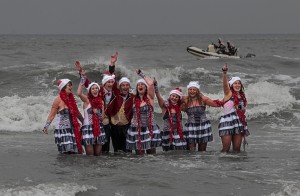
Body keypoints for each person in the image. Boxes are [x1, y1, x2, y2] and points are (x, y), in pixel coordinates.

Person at [75, 53, 117, 153]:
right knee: (93, 155)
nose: (110, 84)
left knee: (103, 153)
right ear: (104, 84)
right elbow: (86, 84)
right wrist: (81, 72)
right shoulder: (96, 93)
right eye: (108, 82)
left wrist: (112, 64)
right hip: (91, 127)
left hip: (107, 123)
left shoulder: (114, 91)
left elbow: (112, 78)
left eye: (111, 82)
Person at [42, 79, 83, 154]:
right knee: (66, 153)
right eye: (69, 85)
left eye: (71, 85)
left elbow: (77, 113)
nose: (71, 87)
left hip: (71, 130)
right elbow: (52, 115)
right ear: (63, 87)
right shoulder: (58, 100)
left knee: (74, 152)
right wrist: (46, 126)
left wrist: (84, 122)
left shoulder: (71, 99)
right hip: (62, 130)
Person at [126, 69, 161, 155]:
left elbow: (151, 84)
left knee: (151, 155)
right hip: (136, 129)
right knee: (139, 155)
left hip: (149, 128)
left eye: (142, 85)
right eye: (138, 85)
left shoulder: (150, 97)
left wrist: (141, 74)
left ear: (146, 88)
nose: (140, 86)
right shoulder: (133, 99)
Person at [182, 81, 223, 151]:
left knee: (202, 151)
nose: (192, 91)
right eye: (190, 89)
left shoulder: (203, 99)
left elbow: (217, 104)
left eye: (194, 89)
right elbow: (173, 101)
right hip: (191, 127)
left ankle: (201, 162)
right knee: (191, 151)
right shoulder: (184, 100)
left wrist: (228, 97)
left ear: (197, 90)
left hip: (203, 126)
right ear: (188, 90)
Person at [218, 64, 249, 152]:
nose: (237, 85)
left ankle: (235, 165)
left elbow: (242, 110)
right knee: (226, 149)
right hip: (227, 122)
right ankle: (222, 164)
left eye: (239, 83)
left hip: (238, 122)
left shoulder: (242, 96)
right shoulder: (229, 93)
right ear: (231, 85)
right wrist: (224, 74)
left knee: (237, 150)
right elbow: (225, 85)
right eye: (235, 83)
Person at [77, 72, 106, 156]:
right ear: (90, 90)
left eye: (96, 88)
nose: (95, 90)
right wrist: (83, 78)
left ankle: (98, 170)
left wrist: (98, 113)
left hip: (99, 128)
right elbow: (79, 93)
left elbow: (102, 118)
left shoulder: (101, 102)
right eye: (92, 88)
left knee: (98, 154)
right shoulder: (87, 100)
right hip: (88, 129)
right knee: (90, 155)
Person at [154, 80, 187, 151]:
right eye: (173, 96)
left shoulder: (180, 107)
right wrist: (156, 86)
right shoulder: (164, 107)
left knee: (179, 152)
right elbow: (158, 96)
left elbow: (187, 99)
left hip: (178, 133)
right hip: (167, 133)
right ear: (170, 96)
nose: (174, 98)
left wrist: (181, 96)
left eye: (176, 97)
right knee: (168, 154)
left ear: (178, 99)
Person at [108, 76, 134, 153]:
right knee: (117, 150)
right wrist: (112, 66)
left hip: (127, 126)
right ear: (119, 87)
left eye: (127, 85)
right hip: (114, 126)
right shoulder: (115, 95)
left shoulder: (133, 97)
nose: (125, 87)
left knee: (127, 150)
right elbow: (112, 82)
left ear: (129, 86)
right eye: (123, 85)